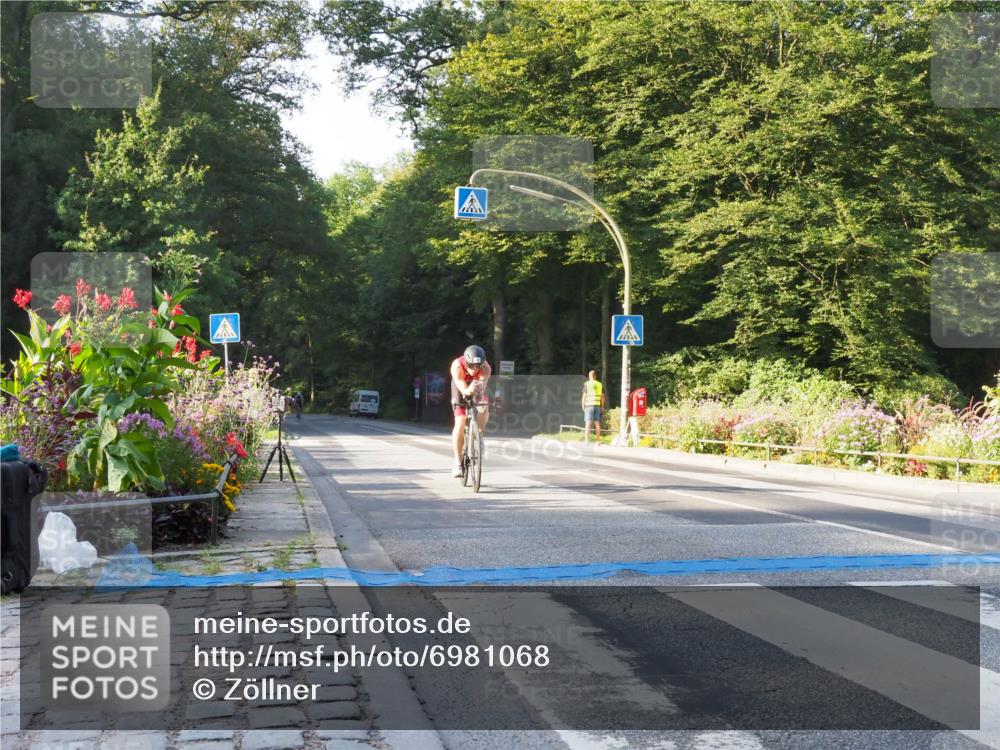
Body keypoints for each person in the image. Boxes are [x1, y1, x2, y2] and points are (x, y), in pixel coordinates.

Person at [451, 345, 492, 477]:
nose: (475, 369)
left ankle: (479, 434)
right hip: (460, 387)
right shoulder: (457, 366)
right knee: (460, 421)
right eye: (472, 366)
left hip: (476, 387)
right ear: (466, 362)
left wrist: (477, 390)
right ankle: (457, 463)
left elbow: (480, 392)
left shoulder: (485, 368)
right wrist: (468, 390)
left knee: (484, 406)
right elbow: (463, 390)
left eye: (478, 366)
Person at [581, 370, 605, 442]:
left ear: (590, 376)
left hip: (588, 405)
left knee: (588, 423)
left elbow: (584, 396)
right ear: (595, 376)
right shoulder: (600, 384)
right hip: (597, 406)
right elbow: (603, 397)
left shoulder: (587, 384)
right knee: (597, 423)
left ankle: (586, 440)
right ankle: (598, 441)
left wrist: (583, 405)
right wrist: (602, 407)